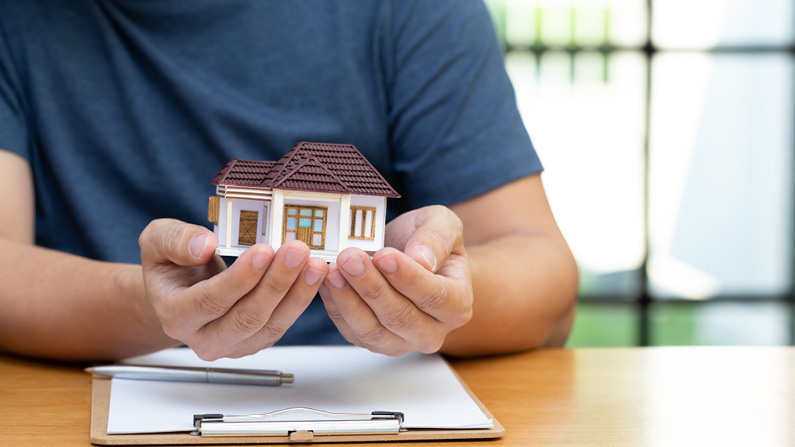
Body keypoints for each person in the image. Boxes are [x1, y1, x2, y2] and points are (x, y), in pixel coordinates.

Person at [0, 0, 578, 361]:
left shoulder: (413, 10)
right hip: (114, 391)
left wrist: (423, 292)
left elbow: (545, 282)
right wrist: (155, 308)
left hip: (377, 397)